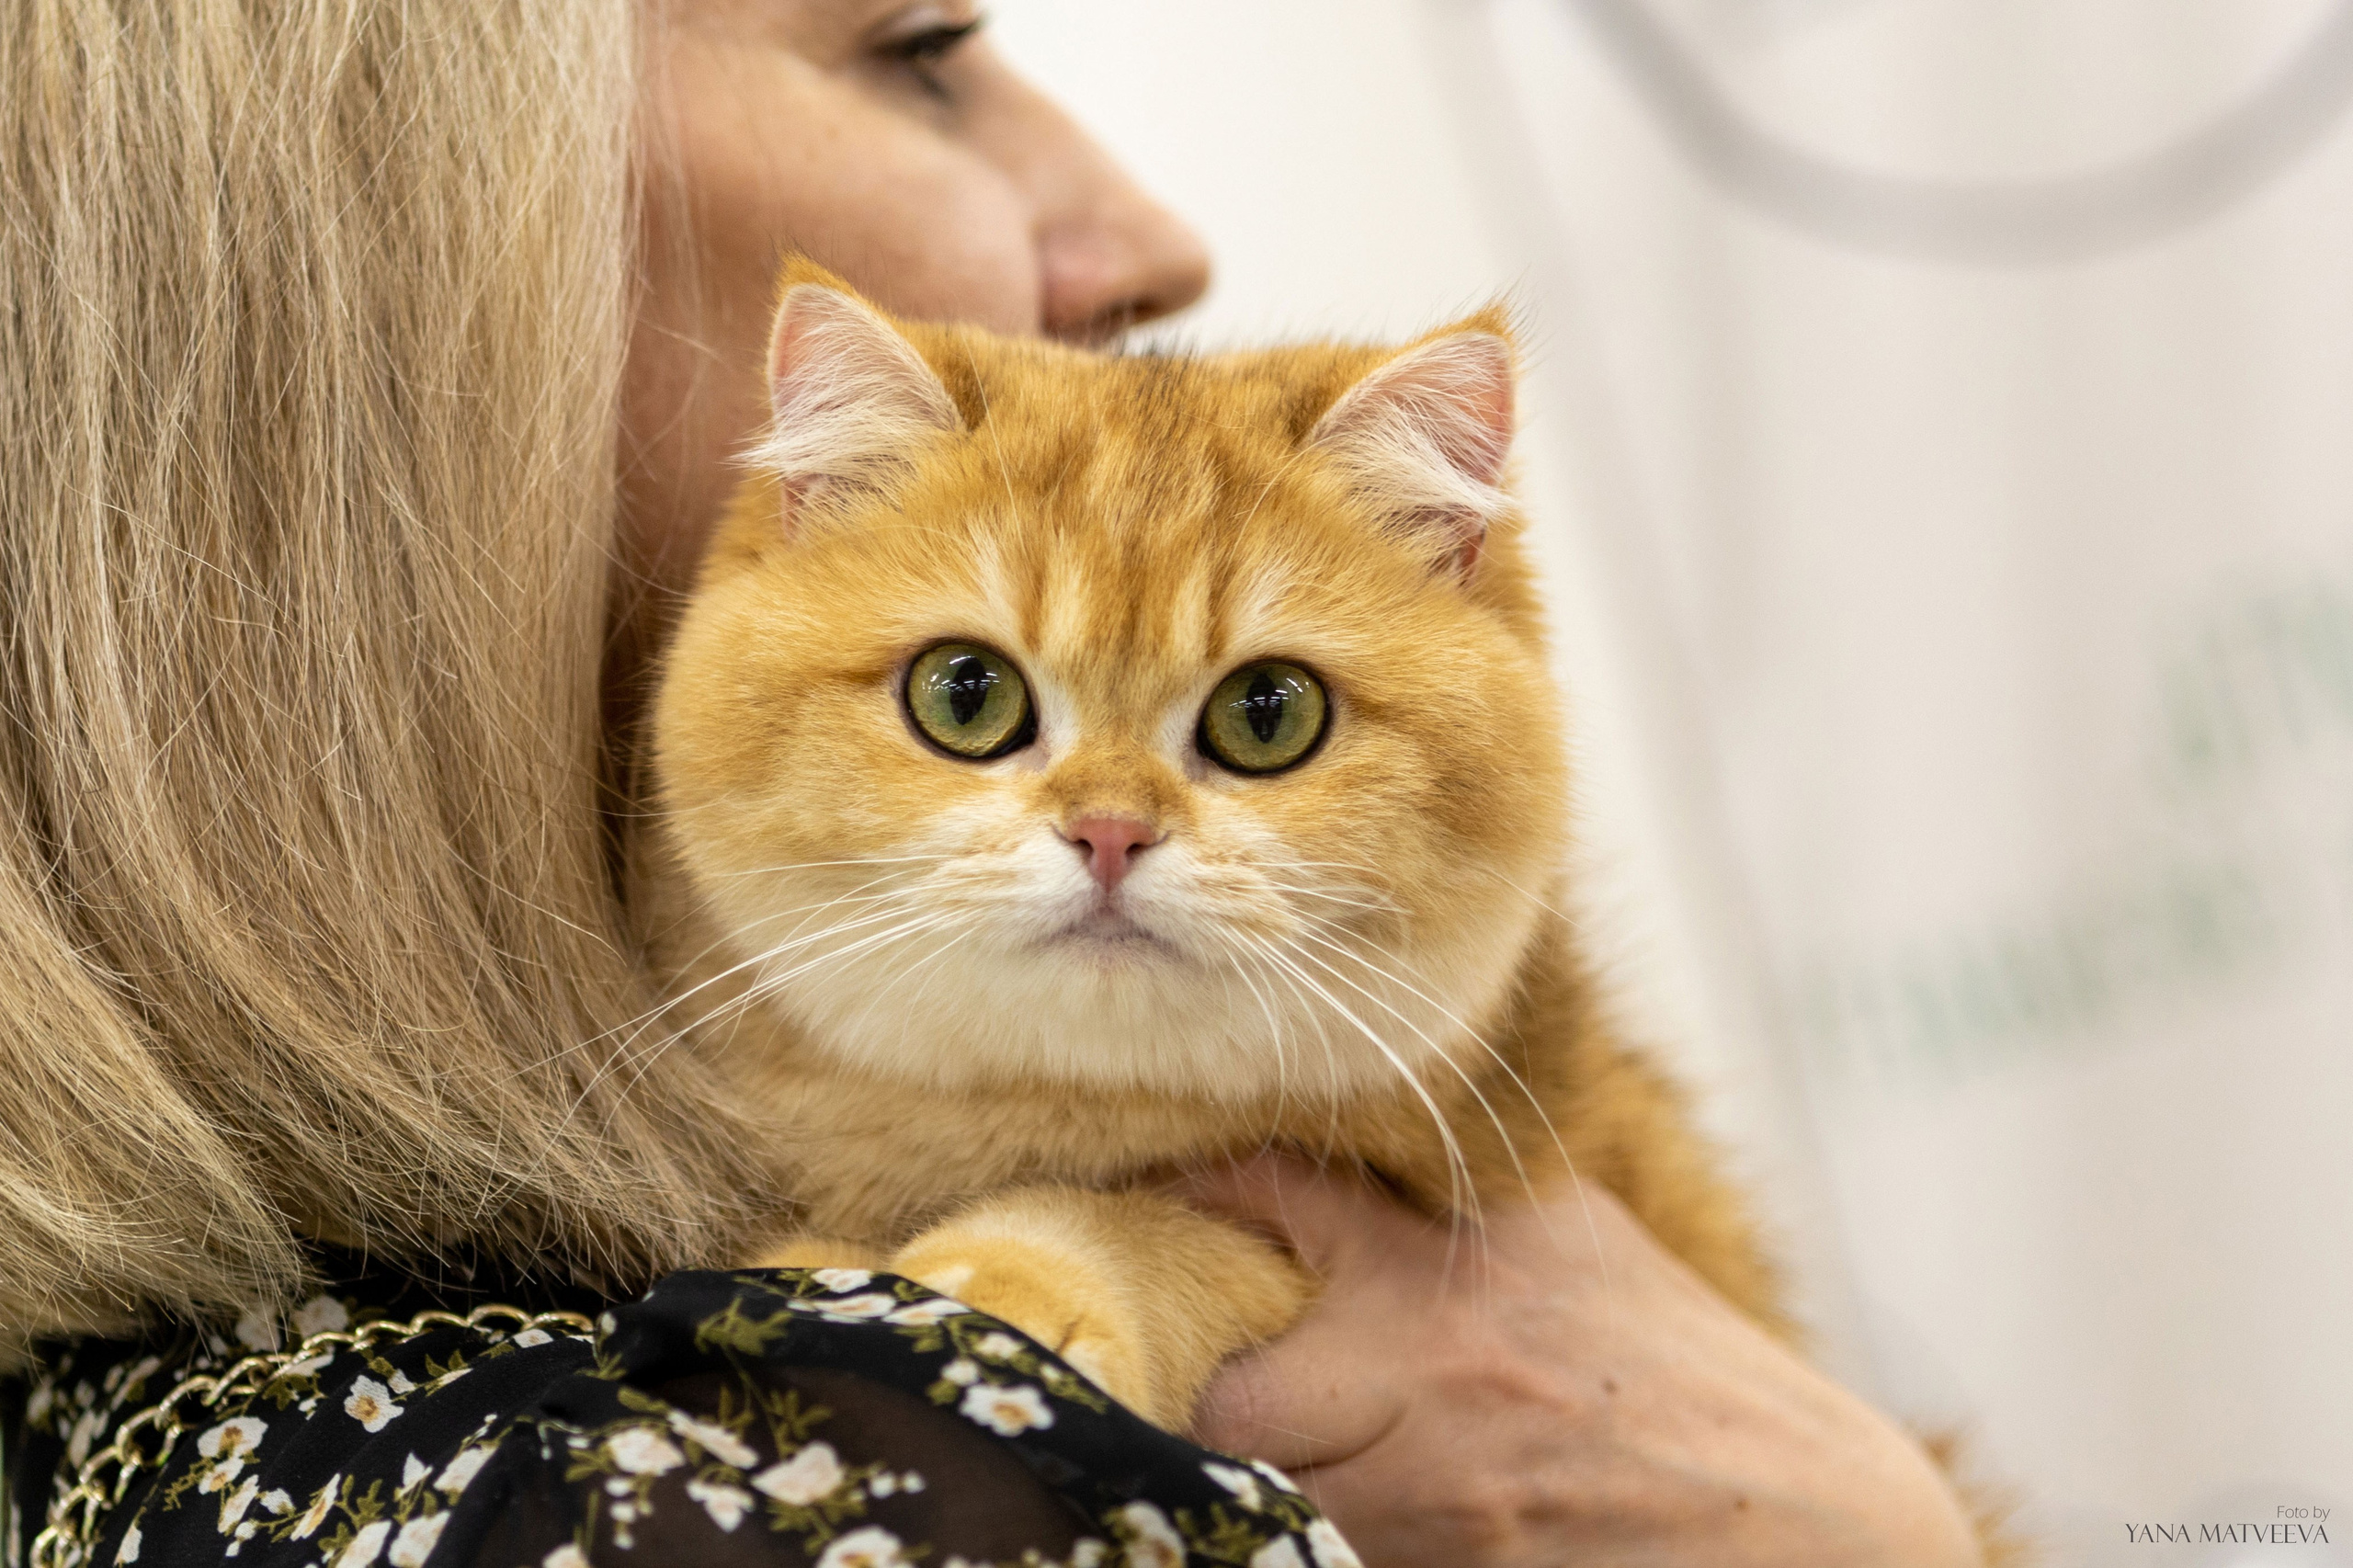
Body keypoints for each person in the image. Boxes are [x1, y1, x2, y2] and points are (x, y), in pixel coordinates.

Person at [0, 1, 1988, 1563]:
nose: (1152, 236)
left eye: (1262, 718)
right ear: (399, 220)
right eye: (921, 53)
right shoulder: (740, 1483)